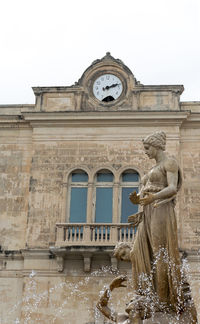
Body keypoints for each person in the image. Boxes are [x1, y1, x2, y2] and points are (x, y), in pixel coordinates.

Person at [128, 131, 197, 320]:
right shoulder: (154, 168)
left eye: (147, 148)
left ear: (157, 146)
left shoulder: (170, 163)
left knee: (160, 253)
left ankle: (163, 301)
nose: (146, 152)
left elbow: (173, 188)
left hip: (161, 209)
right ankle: (145, 294)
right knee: (137, 252)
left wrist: (153, 197)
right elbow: (145, 195)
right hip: (148, 211)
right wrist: (139, 210)